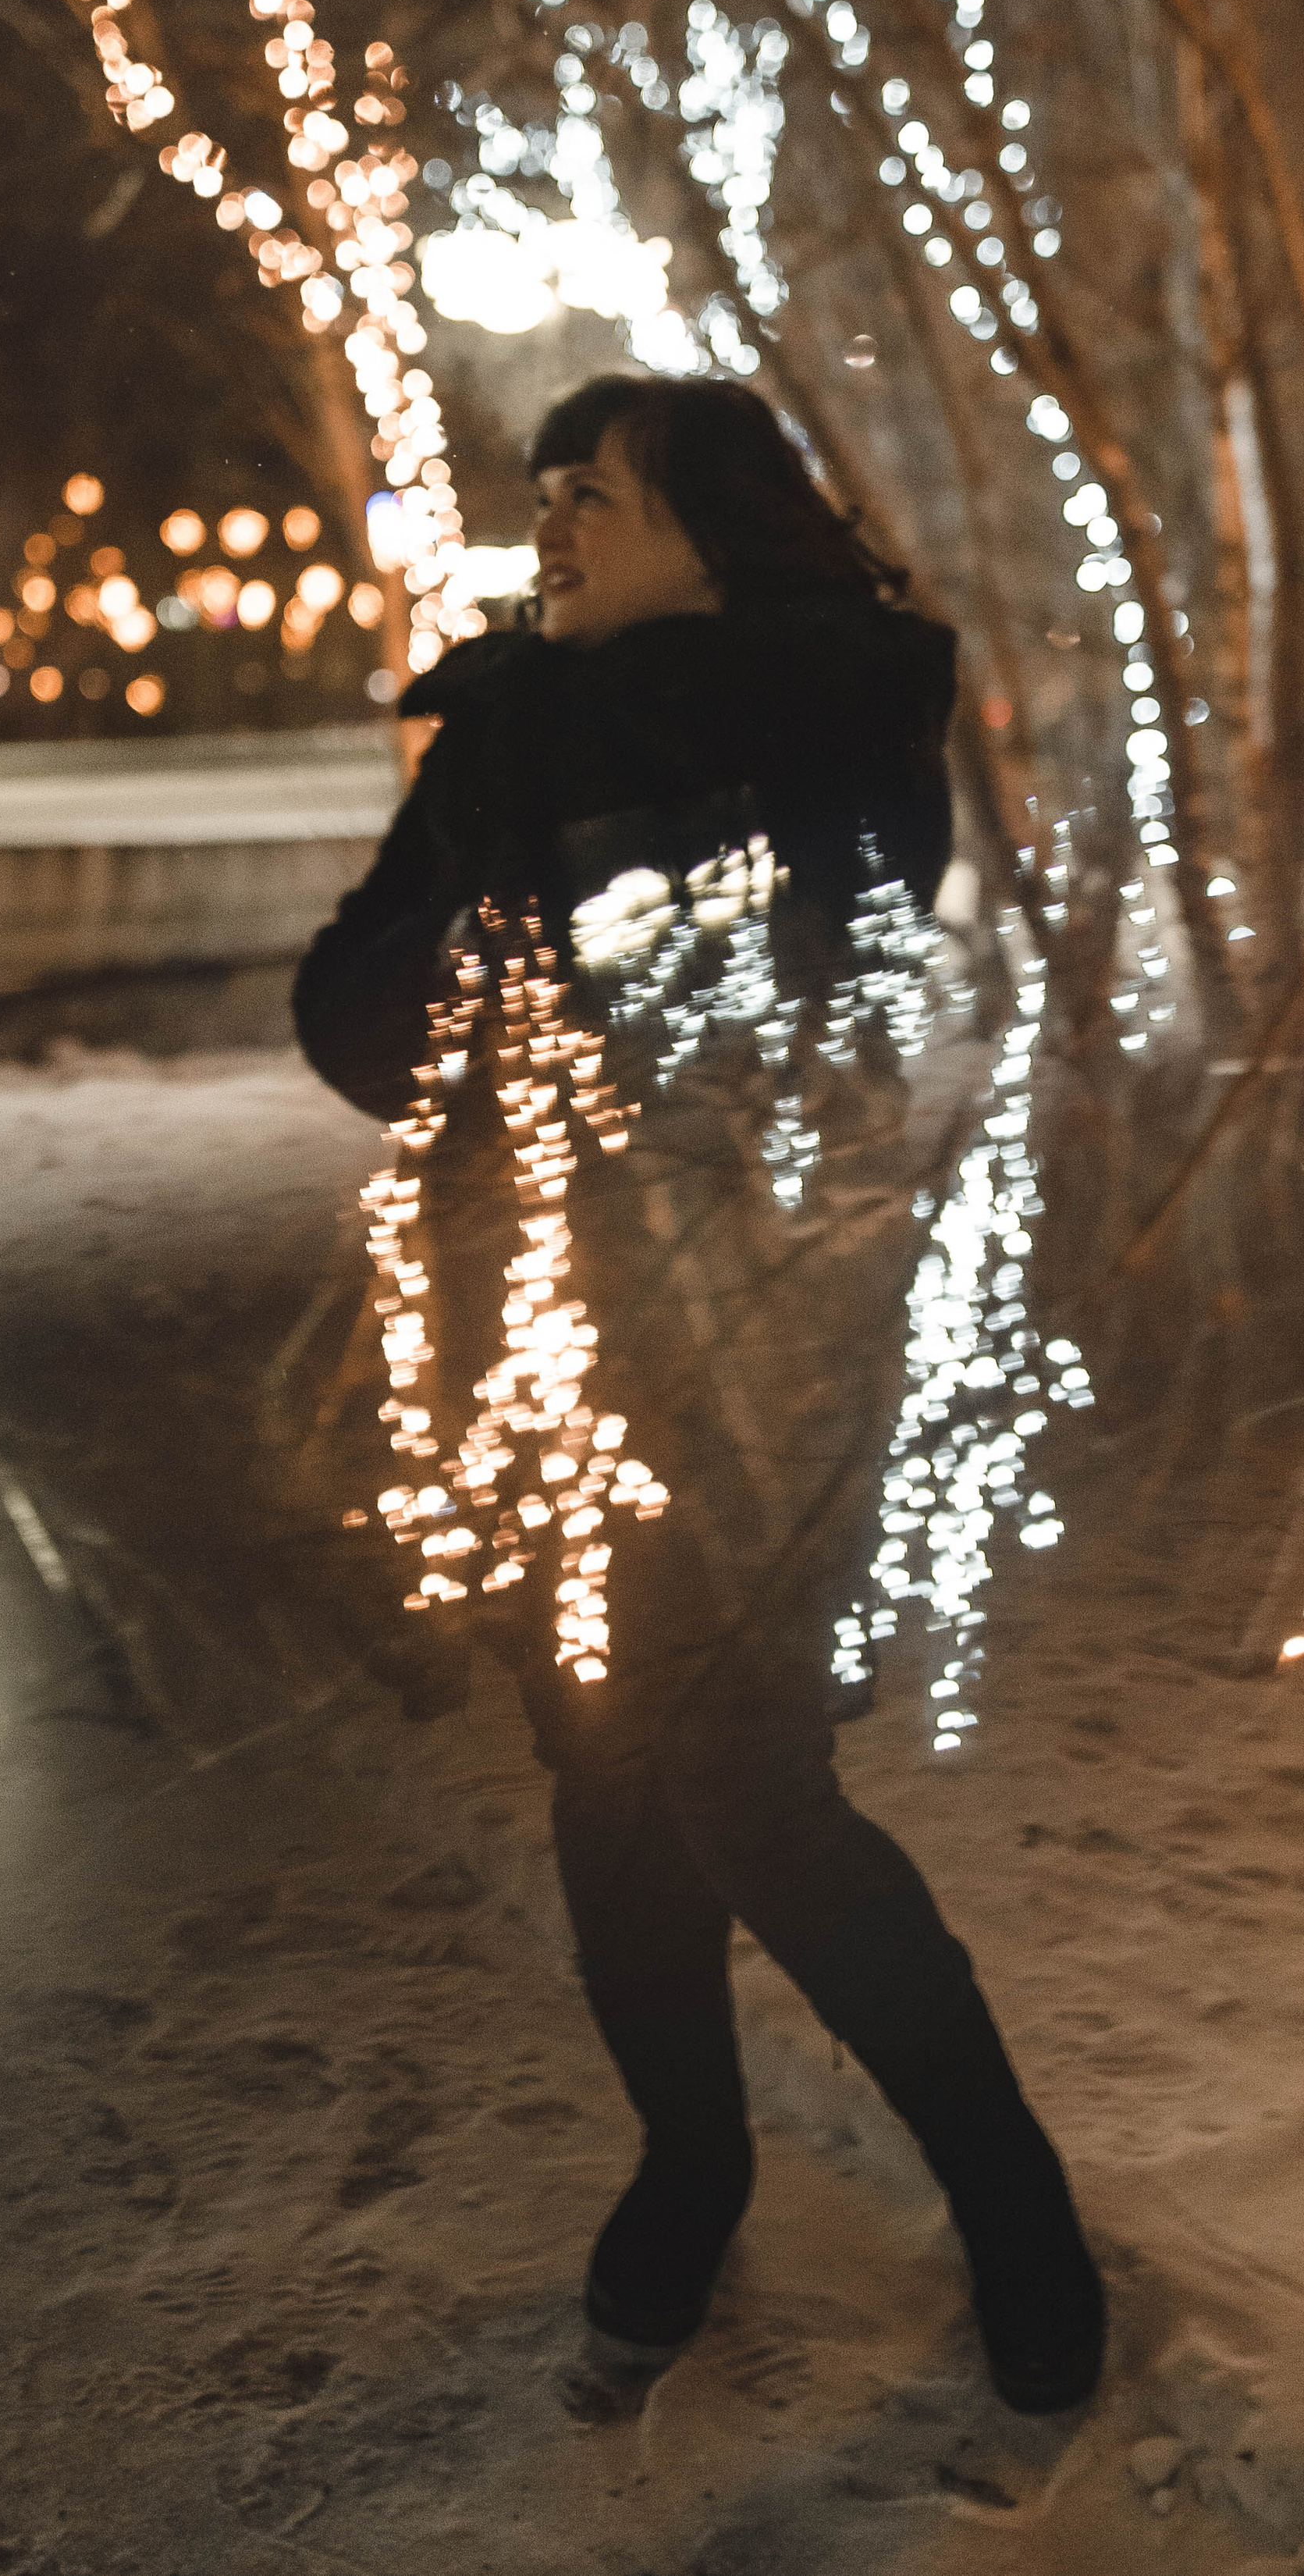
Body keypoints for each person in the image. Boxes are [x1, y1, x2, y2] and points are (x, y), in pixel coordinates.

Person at [293, 374, 1105, 2415]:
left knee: (751, 1787)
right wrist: (473, 965)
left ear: (713, 531)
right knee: (601, 1768)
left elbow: (834, 989)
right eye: (544, 493)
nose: (551, 524)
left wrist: (582, 956)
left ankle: (1012, 2207)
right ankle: (693, 2156)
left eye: (597, 493)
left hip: (766, 1339)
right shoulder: (502, 736)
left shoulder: (831, 709)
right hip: (536, 1336)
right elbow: (354, 1006)